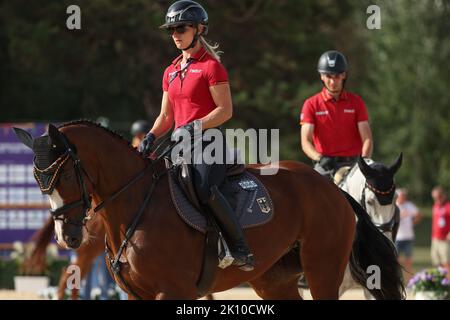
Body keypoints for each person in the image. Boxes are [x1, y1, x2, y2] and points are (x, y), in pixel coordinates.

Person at [139, 0, 254, 271]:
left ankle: (238, 247)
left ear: (199, 29)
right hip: (178, 145)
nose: (175, 34)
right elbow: (166, 116)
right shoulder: (170, 71)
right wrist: (151, 137)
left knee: (204, 189)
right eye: (171, 30)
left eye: (181, 28)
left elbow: (225, 111)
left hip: (208, 144)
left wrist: (194, 126)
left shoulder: (212, 68)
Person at [300, 50, 373, 177]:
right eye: (328, 76)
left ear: (344, 75)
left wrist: (364, 161)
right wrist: (319, 158)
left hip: (354, 163)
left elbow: (367, 138)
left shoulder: (356, 102)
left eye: (337, 76)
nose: (333, 82)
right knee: (311, 191)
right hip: (325, 164)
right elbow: (305, 141)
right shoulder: (311, 104)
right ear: (321, 76)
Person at [395, 188, 422, 281]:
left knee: (409, 261)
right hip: (397, 238)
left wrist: (413, 222)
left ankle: (409, 282)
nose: (403, 197)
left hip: (408, 238)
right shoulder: (393, 206)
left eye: (404, 196)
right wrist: (399, 217)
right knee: (396, 261)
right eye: (401, 196)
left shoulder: (409, 205)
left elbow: (418, 215)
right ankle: (397, 281)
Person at [431, 186, 450, 276]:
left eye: (438, 197)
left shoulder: (448, 206)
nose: (436, 199)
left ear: (443, 196)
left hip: (445, 240)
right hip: (435, 239)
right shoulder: (435, 206)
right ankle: (441, 284)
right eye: (434, 197)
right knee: (437, 263)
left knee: (446, 263)